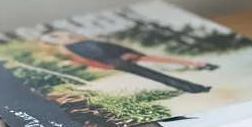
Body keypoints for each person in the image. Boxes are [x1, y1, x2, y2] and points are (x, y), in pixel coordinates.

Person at [41, 31, 217, 94]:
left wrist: (128, 53)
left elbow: (110, 46)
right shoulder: (73, 50)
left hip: (127, 56)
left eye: (56, 35)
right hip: (119, 61)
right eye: (53, 38)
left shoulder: (82, 42)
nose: (59, 38)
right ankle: (193, 87)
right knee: (156, 75)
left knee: (162, 64)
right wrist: (116, 61)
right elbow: (93, 60)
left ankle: (197, 69)